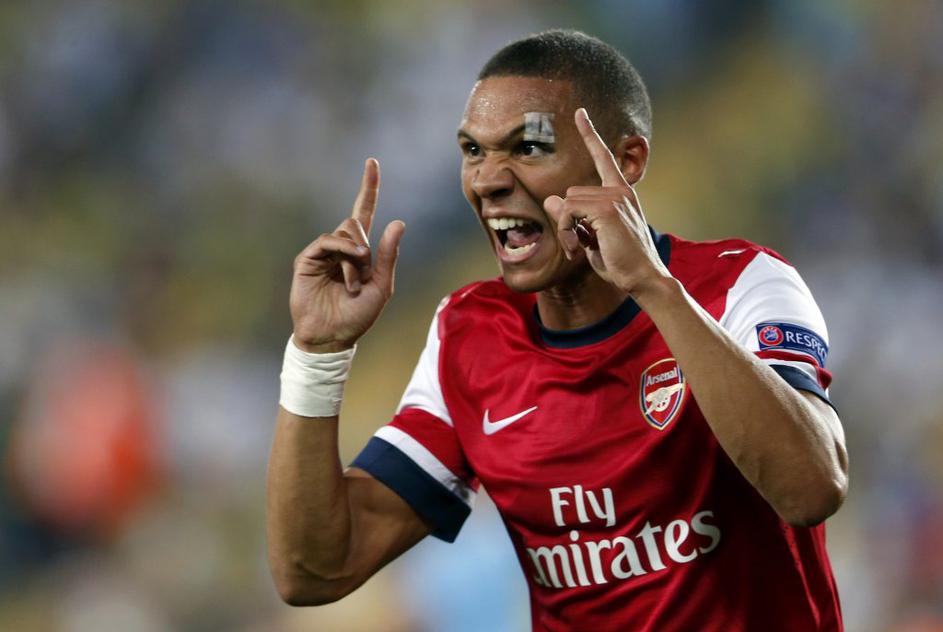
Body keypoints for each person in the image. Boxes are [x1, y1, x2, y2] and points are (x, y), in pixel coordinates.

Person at [266, 29, 848, 631]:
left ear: (626, 162)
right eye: (473, 151)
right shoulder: (469, 336)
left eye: (529, 147)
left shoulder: (741, 284)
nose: (487, 179)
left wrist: (653, 287)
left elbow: (812, 489)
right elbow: (315, 570)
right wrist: (317, 353)